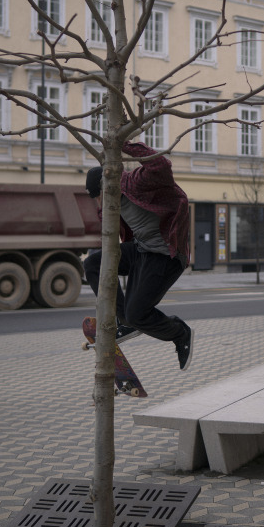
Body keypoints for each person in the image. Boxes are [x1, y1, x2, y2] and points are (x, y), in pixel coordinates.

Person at [83, 141, 193, 371]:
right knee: (93, 263)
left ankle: (179, 332)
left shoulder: (135, 182)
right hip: (141, 250)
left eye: (99, 196)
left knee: (138, 313)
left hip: (165, 254)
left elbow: (161, 165)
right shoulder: (108, 206)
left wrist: (122, 143)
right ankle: (125, 322)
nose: (99, 204)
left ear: (109, 185)